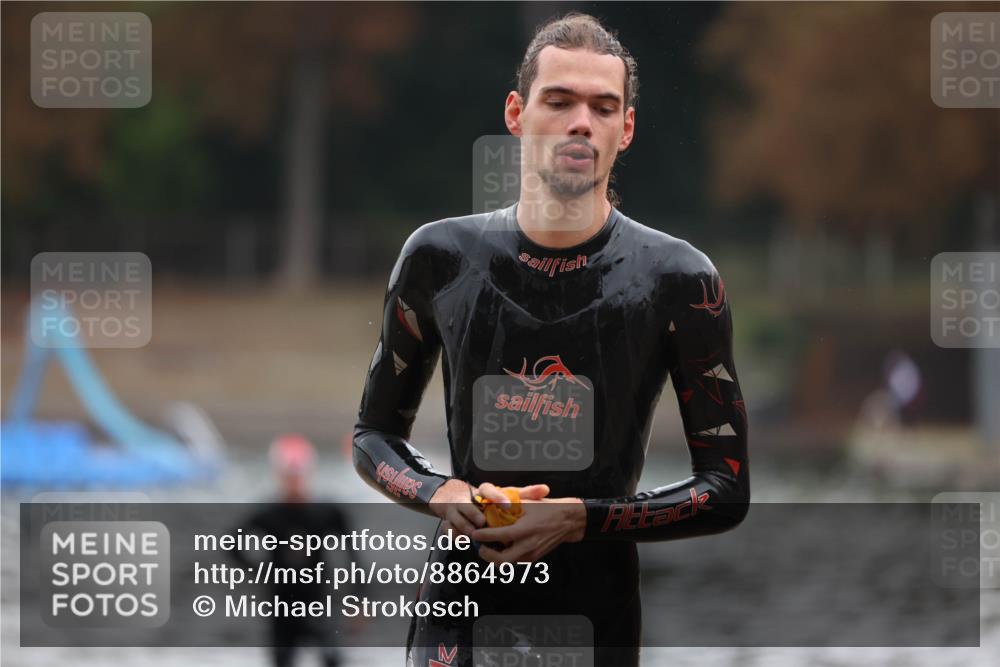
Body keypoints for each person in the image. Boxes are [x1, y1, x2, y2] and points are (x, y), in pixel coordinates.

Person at [353, 13, 749, 667]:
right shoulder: (439, 256)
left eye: (602, 106)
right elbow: (371, 435)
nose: (579, 123)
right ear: (517, 112)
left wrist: (582, 517)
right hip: (459, 610)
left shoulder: (679, 278)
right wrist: (444, 493)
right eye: (559, 101)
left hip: (594, 617)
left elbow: (725, 488)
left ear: (625, 129)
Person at [233, 434, 363, 667]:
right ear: (278, 475)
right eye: (288, 476)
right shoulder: (268, 513)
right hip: (281, 604)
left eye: (297, 476)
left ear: (308, 473)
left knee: (332, 658)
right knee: (282, 660)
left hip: (318, 599)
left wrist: (359, 600)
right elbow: (232, 543)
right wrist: (261, 572)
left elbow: (353, 556)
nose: (293, 482)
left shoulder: (327, 512)